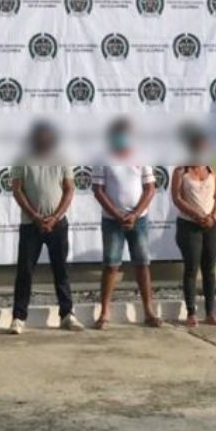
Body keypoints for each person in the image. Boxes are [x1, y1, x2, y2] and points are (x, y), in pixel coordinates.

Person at [8, 122, 83, 334]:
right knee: (25, 272)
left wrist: (55, 217)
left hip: (57, 224)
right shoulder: (21, 158)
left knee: (61, 271)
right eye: (39, 136)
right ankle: (18, 318)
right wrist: (35, 216)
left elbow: (69, 189)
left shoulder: (63, 158)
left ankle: (67, 315)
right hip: (30, 225)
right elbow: (17, 189)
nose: (43, 140)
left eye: (47, 136)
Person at [93, 119, 162, 329]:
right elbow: (98, 189)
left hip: (138, 220)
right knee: (111, 265)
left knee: (142, 264)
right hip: (112, 221)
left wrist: (135, 214)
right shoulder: (101, 157)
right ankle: (104, 313)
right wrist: (117, 214)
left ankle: (149, 312)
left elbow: (150, 188)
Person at [170, 131, 216, 328]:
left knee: (209, 270)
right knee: (191, 268)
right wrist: (197, 216)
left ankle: (210, 312)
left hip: (212, 226)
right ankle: (191, 312)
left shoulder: (213, 171)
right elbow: (177, 198)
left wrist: (213, 216)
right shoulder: (180, 171)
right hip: (189, 226)